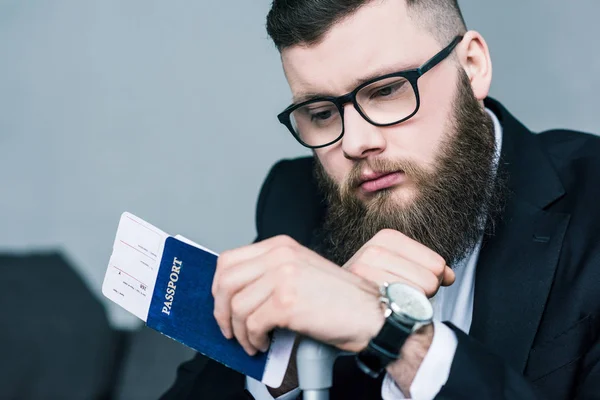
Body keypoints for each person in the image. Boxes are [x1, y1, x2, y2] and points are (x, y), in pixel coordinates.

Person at [160, 0, 600, 399]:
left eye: (387, 89)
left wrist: (398, 338)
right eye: (321, 113)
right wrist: (283, 361)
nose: (355, 143)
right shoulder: (295, 201)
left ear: (472, 65)